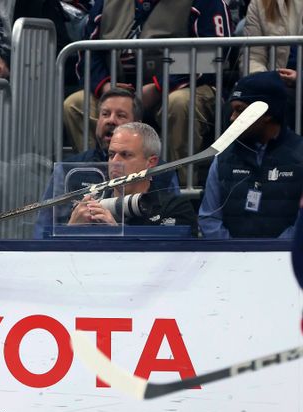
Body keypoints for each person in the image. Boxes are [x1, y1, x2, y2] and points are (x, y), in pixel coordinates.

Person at [63, 0, 232, 187]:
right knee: (76, 104)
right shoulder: (106, 3)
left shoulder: (206, 3)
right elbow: (88, 52)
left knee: (179, 103)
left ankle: (181, 190)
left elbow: (212, 54)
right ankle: (94, 184)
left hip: (183, 86)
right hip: (119, 87)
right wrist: (106, 88)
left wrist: (159, 87)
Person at [34, 88, 180, 238]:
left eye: (120, 115)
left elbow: (170, 225)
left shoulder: (162, 171)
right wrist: (72, 229)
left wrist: (116, 233)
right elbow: (44, 230)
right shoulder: (70, 168)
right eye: (105, 114)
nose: (111, 120)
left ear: (137, 124)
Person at [199, 71, 303, 238]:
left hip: (285, 261)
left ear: (267, 114)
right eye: (233, 111)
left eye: (240, 110)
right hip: (227, 261)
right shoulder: (223, 157)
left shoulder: (300, 156)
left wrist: (273, 254)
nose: (232, 118)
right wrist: (235, 253)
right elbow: (208, 217)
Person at [67, 122, 198, 233]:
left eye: (125, 155)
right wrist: (70, 229)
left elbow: (168, 260)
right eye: (111, 154)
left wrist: (115, 233)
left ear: (151, 162)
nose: (115, 162)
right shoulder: (89, 206)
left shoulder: (176, 208)